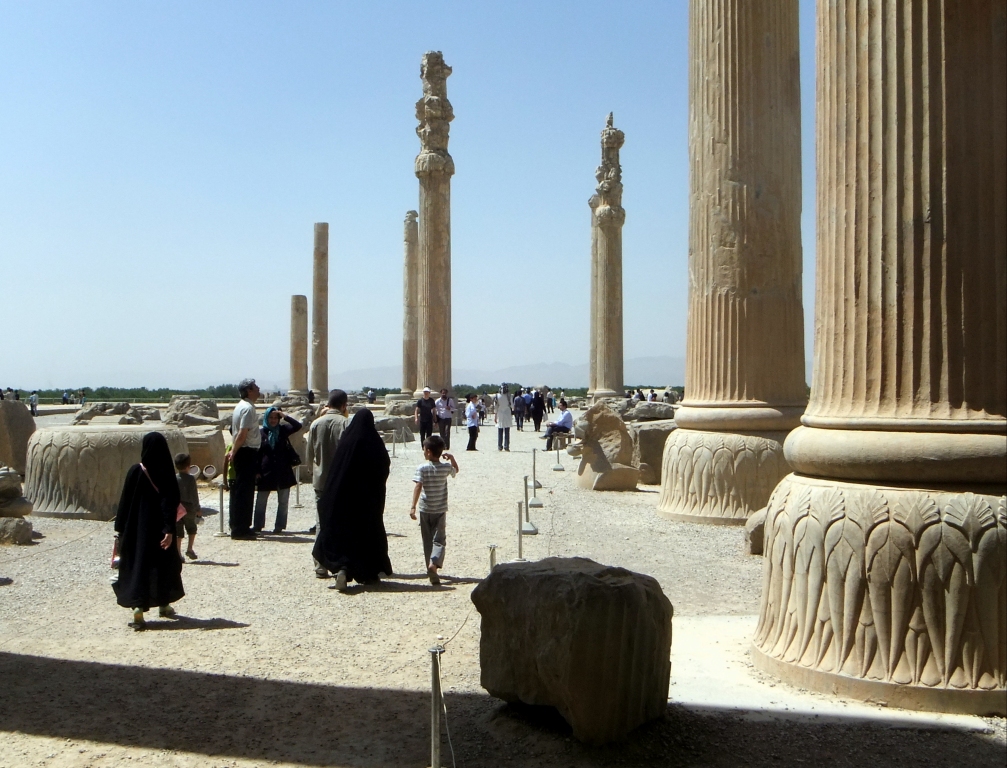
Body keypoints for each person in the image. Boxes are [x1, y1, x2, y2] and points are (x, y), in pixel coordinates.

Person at [312, 408, 392, 592]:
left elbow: (336, 471)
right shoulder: (374, 443)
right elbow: (384, 466)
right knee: (368, 534)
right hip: (368, 501)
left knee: (344, 533)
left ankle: (343, 568)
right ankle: (369, 573)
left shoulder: (347, 442)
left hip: (344, 499)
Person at [113, 432, 185, 629]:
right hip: (160, 530)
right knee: (163, 567)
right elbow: (170, 503)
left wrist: (120, 529)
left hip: (136, 530)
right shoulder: (166, 472)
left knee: (139, 566)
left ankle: (138, 608)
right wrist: (169, 530)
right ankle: (164, 604)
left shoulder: (135, 471)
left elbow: (124, 502)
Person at [305, 389, 351, 577]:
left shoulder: (316, 424)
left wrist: (313, 471)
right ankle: (339, 563)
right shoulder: (345, 423)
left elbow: (309, 454)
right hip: (340, 481)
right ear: (344, 405)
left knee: (321, 522)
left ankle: (320, 564)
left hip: (321, 480)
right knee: (340, 522)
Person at [409, 435, 458, 586]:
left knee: (427, 539)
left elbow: (418, 486)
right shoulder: (445, 468)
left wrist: (413, 506)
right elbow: (456, 470)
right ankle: (434, 565)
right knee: (439, 540)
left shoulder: (422, 468)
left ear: (429, 452)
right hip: (440, 509)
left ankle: (429, 567)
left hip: (425, 509)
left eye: (424, 449)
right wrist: (452, 458)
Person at [253, 407, 302, 534]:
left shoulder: (283, 430)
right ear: (266, 418)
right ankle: (258, 525)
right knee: (261, 500)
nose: (273, 420)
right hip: (266, 471)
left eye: (275, 418)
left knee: (283, 501)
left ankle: (279, 526)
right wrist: (257, 471)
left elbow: (298, 426)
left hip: (283, 471)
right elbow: (257, 454)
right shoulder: (261, 433)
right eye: (271, 417)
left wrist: (284, 415)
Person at [227, 378, 261, 540]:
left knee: (241, 490)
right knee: (244, 492)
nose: (259, 388)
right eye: (255, 387)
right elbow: (242, 433)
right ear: (249, 390)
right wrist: (234, 451)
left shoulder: (241, 406)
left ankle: (238, 525)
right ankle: (240, 528)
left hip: (243, 451)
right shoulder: (247, 408)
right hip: (246, 451)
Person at [174, 453, 201, 560]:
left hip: (177, 508)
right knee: (191, 528)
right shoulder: (191, 479)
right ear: (188, 466)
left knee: (178, 531)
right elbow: (194, 496)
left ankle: (178, 553)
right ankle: (189, 548)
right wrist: (198, 509)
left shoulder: (174, 478)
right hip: (189, 508)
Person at [494, 384, 514, 452]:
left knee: (500, 430)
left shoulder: (497, 396)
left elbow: (495, 406)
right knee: (507, 431)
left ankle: (500, 446)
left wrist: (495, 415)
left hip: (500, 413)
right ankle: (506, 446)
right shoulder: (509, 395)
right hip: (507, 412)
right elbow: (512, 405)